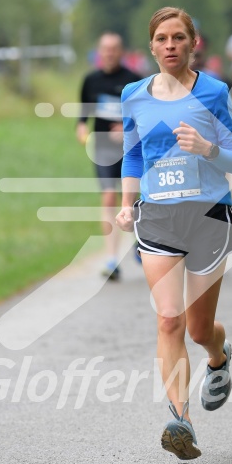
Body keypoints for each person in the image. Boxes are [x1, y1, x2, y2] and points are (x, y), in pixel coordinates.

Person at [116, 7, 232, 460]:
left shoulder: (213, 91)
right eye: (162, 38)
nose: (170, 45)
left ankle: (219, 356)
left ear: (194, 44)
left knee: (197, 328)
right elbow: (133, 156)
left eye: (178, 37)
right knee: (168, 319)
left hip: (209, 215)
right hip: (158, 216)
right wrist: (127, 203)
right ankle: (181, 421)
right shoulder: (133, 94)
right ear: (150, 47)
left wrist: (208, 148)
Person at [76, 33, 142, 279]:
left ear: (122, 51)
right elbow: (82, 118)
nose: (110, 53)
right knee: (108, 197)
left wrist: (127, 129)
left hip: (130, 148)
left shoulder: (134, 81)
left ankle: (141, 241)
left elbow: (145, 117)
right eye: (105, 49)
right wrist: (82, 130)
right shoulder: (90, 81)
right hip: (102, 148)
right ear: (99, 51)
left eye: (114, 49)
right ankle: (112, 260)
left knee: (132, 198)